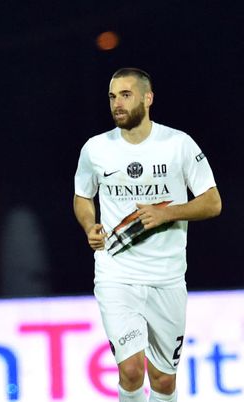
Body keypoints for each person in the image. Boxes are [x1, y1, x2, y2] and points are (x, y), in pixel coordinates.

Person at [73, 68, 221, 402]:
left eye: (125, 95)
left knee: (163, 381)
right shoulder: (96, 148)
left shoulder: (178, 144)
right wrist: (89, 226)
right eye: (112, 97)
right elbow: (83, 196)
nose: (117, 104)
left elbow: (212, 202)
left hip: (167, 278)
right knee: (130, 371)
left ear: (147, 98)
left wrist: (167, 212)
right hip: (116, 275)